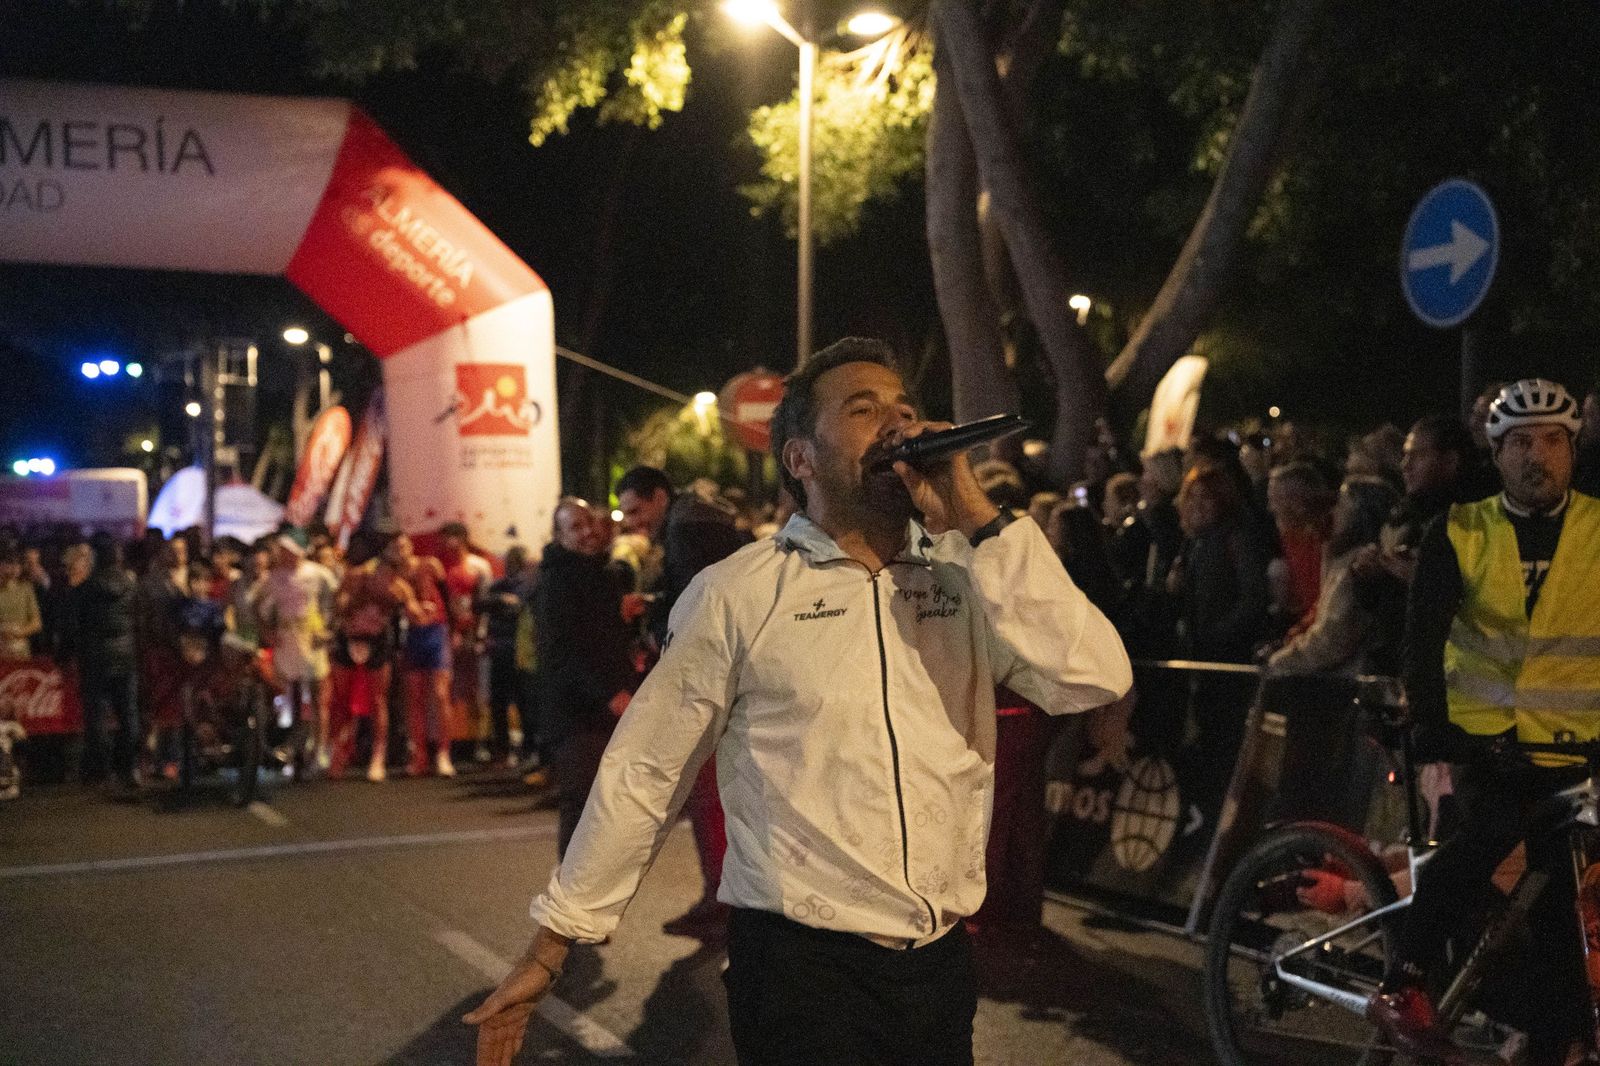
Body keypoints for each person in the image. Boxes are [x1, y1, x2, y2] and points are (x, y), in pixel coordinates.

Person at [465, 337, 1132, 1066]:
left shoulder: (966, 573)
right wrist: (554, 942)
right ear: (801, 458)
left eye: (904, 408)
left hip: (937, 967)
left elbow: (1090, 676)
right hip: (800, 974)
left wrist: (975, 515)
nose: (897, 423)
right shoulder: (739, 593)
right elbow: (648, 770)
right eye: (863, 409)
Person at [1369, 379, 1599, 1066]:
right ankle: (1403, 982)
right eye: (1520, 443)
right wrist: (1437, 730)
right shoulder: (1462, 530)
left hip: (1572, 747)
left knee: (1559, 914)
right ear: (1495, 456)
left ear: (1572, 450)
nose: (1537, 455)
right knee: (1489, 835)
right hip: (1485, 742)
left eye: (1552, 441)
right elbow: (1423, 642)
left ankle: (1554, 1037)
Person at [531, 498, 637, 858]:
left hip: (608, 707)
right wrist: (608, 693)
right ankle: (574, 884)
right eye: (575, 526)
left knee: (609, 805)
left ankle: (594, 881)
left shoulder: (602, 574)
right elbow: (562, 653)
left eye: (590, 522)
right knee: (583, 801)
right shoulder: (556, 582)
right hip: (576, 713)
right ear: (559, 536)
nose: (588, 531)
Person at [253, 531, 339, 773]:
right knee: (292, 696)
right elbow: (258, 605)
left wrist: (329, 629)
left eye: (288, 550)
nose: (284, 555)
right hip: (287, 639)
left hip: (312, 639)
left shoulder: (317, 574)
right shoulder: (273, 578)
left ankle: (319, 748)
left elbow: (337, 599)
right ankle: (295, 745)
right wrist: (267, 632)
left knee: (318, 696)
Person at [75, 533, 141, 790]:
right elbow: (138, 619)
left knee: (97, 717)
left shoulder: (86, 589)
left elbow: (76, 625)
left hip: (95, 656)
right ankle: (129, 768)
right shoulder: (131, 585)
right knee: (128, 714)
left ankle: (102, 771)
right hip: (125, 654)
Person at [394, 534, 454, 777]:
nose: (400, 550)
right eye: (395, 547)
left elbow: (447, 595)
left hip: (436, 631)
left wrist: (454, 629)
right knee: (414, 696)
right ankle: (418, 754)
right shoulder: (393, 577)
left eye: (403, 545)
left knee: (440, 693)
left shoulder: (429, 564)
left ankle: (443, 753)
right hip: (412, 635)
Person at [480, 545, 534, 768]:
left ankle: (525, 749)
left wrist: (502, 603)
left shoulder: (528, 586)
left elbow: (518, 607)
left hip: (520, 651)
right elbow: (481, 604)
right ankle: (505, 750)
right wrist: (502, 600)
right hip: (502, 649)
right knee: (500, 702)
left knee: (523, 702)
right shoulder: (499, 586)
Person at [0, 547, 43, 661]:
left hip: (20, 648)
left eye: (17, 565)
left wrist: (18, 632)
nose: (14, 568)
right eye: (9, 564)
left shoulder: (26, 588)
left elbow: (37, 623)